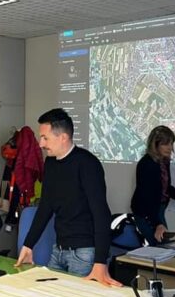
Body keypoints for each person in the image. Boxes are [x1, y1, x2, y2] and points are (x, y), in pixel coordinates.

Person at [15, 108, 121, 286]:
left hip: (84, 254)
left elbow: (101, 213)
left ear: (63, 137)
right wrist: (28, 245)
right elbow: (45, 207)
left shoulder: (87, 164)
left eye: (45, 138)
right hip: (59, 249)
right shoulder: (50, 163)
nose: (40, 144)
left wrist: (100, 262)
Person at [131, 125, 175, 245]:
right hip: (146, 213)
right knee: (160, 246)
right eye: (165, 144)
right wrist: (157, 224)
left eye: (171, 144)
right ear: (155, 144)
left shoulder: (164, 161)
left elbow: (163, 186)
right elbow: (147, 197)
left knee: (164, 244)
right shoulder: (146, 165)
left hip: (158, 209)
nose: (170, 148)